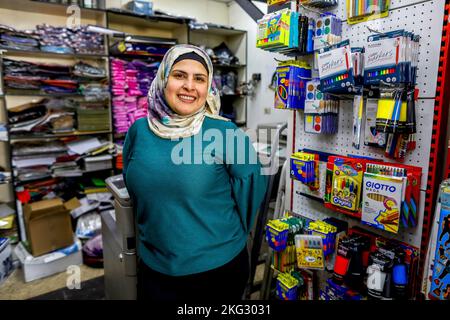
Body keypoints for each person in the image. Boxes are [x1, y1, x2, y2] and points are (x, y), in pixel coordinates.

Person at [122, 44, 268, 301]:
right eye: (179, 75)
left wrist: (218, 237)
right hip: (154, 268)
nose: (190, 86)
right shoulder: (139, 131)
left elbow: (252, 186)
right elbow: (136, 189)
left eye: (199, 79)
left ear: (208, 86)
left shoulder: (225, 133)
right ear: (163, 78)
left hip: (216, 272)